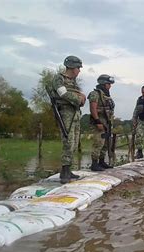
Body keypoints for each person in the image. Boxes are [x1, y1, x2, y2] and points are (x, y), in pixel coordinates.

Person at [50, 55, 85, 184]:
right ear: (71, 67)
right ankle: (64, 172)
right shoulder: (59, 78)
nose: (79, 71)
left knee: (75, 142)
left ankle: (68, 169)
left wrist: (81, 99)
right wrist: (78, 98)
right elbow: (63, 94)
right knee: (68, 141)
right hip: (66, 113)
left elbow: (81, 97)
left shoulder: (74, 82)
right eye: (78, 68)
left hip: (75, 113)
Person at [88, 74, 115, 171]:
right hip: (100, 122)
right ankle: (94, 164)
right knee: (98, 143)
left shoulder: (106, 95)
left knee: (105, 144)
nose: (110, 86)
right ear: (104, 84)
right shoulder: (95, 94)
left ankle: (102, 161)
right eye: (108, 84)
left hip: (107, 123)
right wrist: (97, 121)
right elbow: (93, 108)